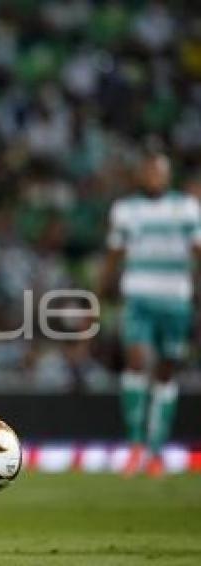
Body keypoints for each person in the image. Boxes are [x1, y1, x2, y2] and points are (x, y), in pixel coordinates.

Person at [100, 150, 201, 478]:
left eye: (159, 171)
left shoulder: (186, 207)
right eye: (149, 171)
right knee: (137, 361)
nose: (154, 176)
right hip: (138, 295)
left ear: (167, 174)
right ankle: (135, 446)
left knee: (166, 371)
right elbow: (115, 253)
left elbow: (198, 249)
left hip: (175, 298)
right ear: (140, 175)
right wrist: (101, 293)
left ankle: (156, 450)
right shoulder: (126, 209)